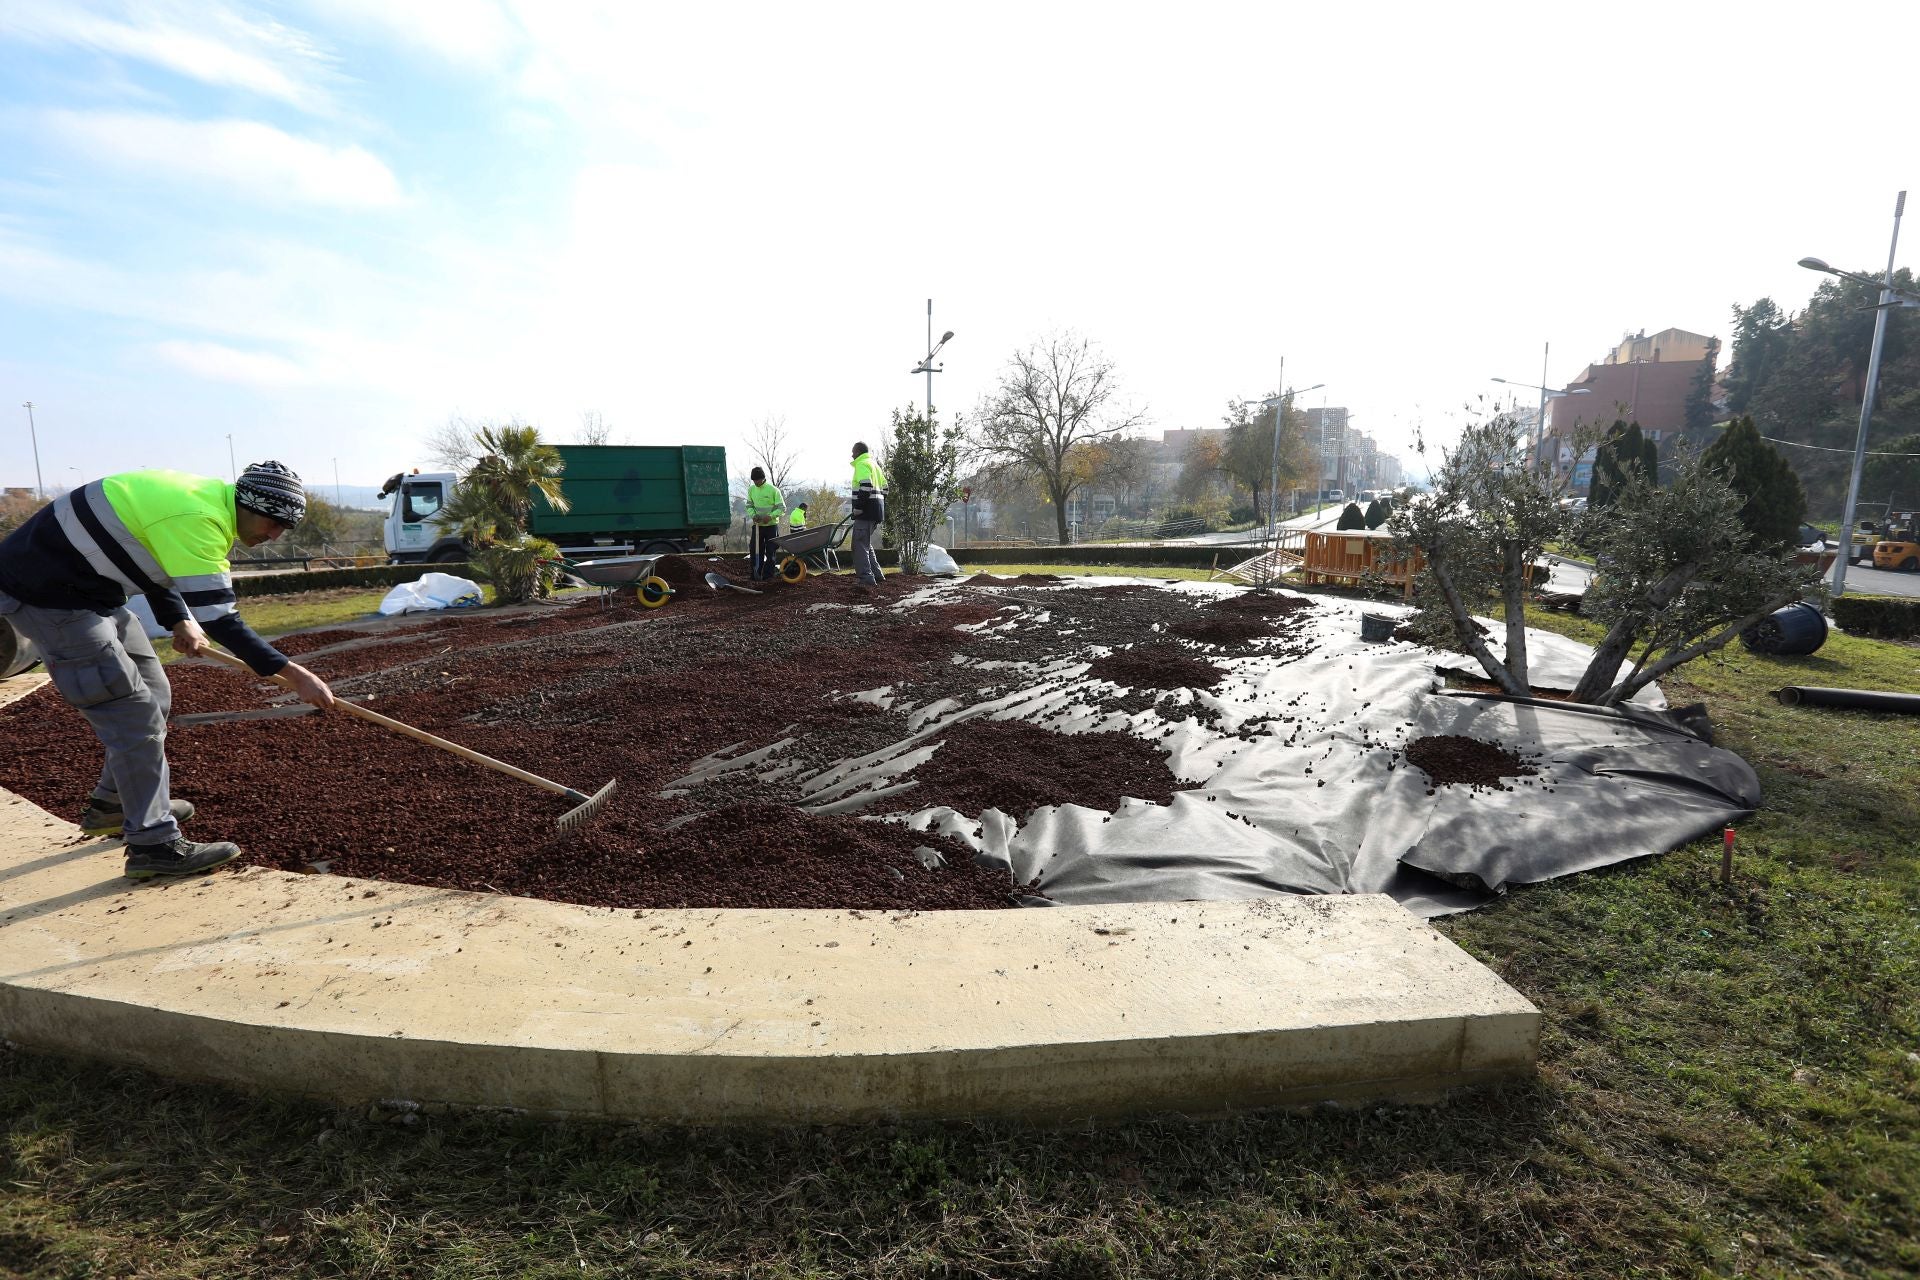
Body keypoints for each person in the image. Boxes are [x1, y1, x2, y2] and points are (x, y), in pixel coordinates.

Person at [0, 461, 337, 880]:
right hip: (50, 599)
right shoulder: (198, 518)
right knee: (132, 715)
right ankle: (152, 844)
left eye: (283, 529)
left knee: (155, 693)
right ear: (246, 505)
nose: (274, 536)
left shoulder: (202, 501)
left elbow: (150, 558)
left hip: (92, 593)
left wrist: (177, 620)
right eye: (272, 523)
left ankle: (116, 805)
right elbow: (222, 621)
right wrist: (295, 676)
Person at [848, 441, 887, 587]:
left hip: (865, 512)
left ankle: (866, 578)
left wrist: (859, 507)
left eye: (853, 451)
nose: (852, 454)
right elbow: (886, 489)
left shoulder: (862, 464)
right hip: (876, 511)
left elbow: (866, 486)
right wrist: (879, 504)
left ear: (858, 451)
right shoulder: (875, 465)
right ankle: (877, 574)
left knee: (858, 545)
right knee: (865, 544)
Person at [744, 466, 785, 581]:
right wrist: (753, 515)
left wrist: (770, 516)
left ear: (763, 478)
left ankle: (768, 576)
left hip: (771, 527)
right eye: (754, 480)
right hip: (758, 526)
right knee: (755, 550)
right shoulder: (751, 489)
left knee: (771, 551)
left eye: (758, 480)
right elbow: (749, 505)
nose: (756, 482)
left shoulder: (773, 490)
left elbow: (782, 508)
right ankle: (755, 574)